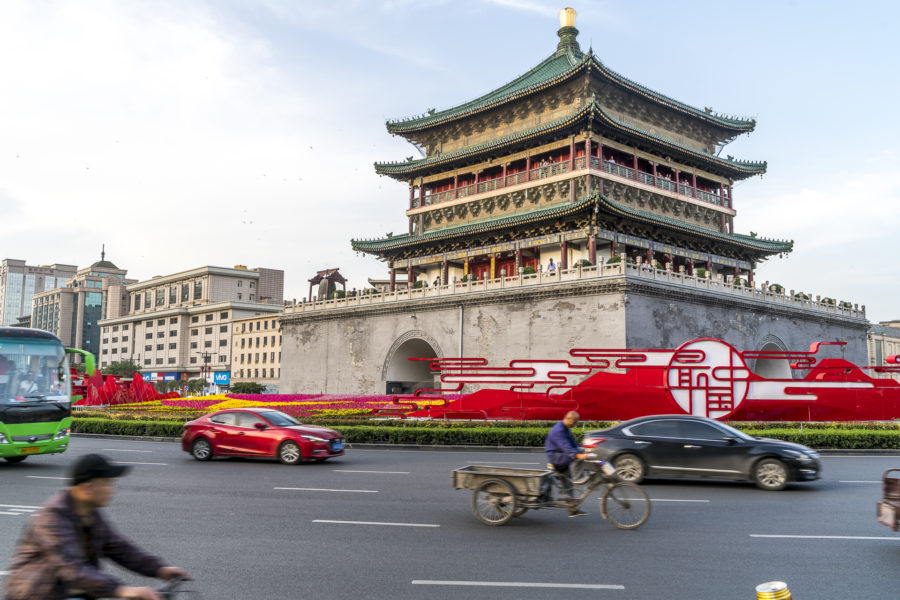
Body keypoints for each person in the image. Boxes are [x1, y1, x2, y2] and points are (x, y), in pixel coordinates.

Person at [3, 454, 190, 600]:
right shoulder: (52, 517)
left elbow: (119, 548)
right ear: (86, 488)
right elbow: (72, 568)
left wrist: (159, 569)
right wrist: (122, 590)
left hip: (69, 593)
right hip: (35, 594)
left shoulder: (90, 513)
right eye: (107, 483)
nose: (112, 489)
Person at [545, 411, 590, 517]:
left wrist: (583, 451)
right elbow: (567, 449)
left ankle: (572, 510)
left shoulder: (565, 428)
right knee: (567, 484)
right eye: (574, 422)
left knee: (567, 484)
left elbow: (573, 443)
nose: (575, 424)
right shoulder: (559, 430)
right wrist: (579, 456)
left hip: (562, 455)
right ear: (569, 420)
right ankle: (578, 477)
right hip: (557, 457)